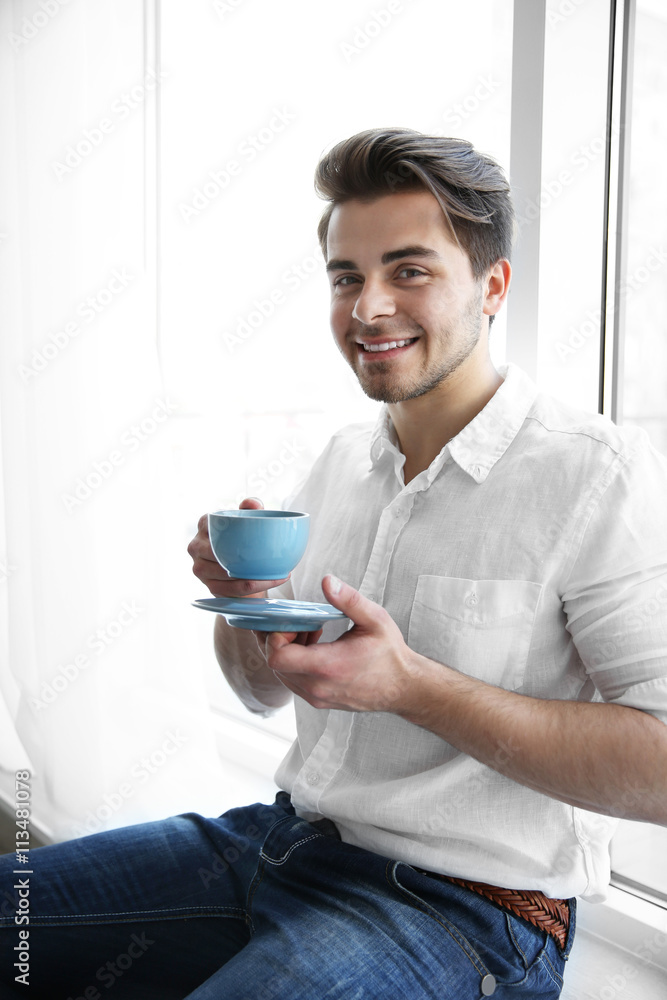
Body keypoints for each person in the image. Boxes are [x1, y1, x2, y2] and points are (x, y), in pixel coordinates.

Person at [2, 127, 667, 999]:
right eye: (346, 277)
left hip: (467, 908)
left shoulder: (593, 473)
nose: (367, 307)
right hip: (276, 845)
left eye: (408, 271)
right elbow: (259, 691)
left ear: (493, 287)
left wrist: (413, 686)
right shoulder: (340, 463)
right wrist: (247, 600)